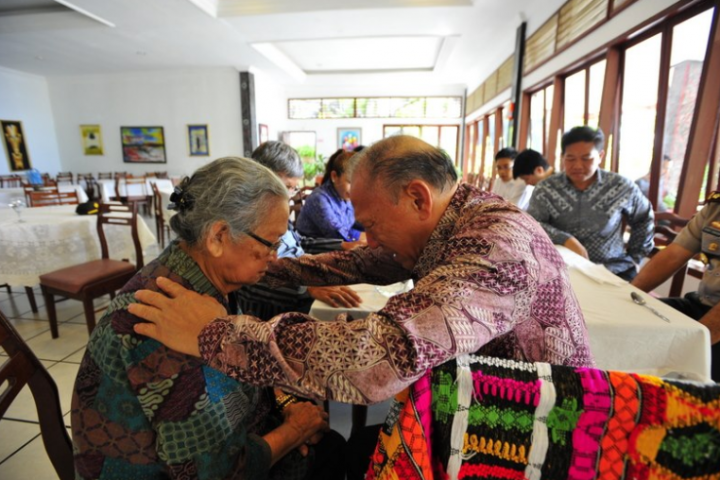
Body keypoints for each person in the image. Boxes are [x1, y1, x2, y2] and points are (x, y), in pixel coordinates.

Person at [128, 136, 594, 476]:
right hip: (480, 399)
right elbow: (375, 259)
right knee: (340, 444)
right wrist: (265, 266)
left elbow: (376, 359)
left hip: (522, 432)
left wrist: (216, 332)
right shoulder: (462, 214)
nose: (367, 239)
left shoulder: (496, 250)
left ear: (416, 197)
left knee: (342, 448)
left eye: (370, 223)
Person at [71, 157, 345, 480]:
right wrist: (295, 430)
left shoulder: (198, 274)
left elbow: (243, 369)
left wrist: (285, 403)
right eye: (270, 244)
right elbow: (217, 472)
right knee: (335, 454)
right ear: (218, 237)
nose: (274, 258)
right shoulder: (169, 320)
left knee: (331, 444)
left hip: (237, 436)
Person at [235, 141, 362, 319]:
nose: (289, 195)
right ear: (260, 178)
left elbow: (299, 241)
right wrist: (305, 288)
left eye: (293, 188)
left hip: (302, 279)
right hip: (274, 306)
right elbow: (246, 282)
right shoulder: (242, 217)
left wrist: (343, 245)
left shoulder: (273, 208)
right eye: (286, 186)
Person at [528, 126, 654, 281]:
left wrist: (635, 257)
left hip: (612, 269)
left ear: (600, 156)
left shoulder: (621, 186)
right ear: (562, 157)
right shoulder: (546, 188)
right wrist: (565, 239)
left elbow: (644, 218)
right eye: (570, 158)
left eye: (586, 158)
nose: (578, 166)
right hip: (560, 270)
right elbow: (532, 225)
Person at [631, 194, 720, 381]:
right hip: (702, 303)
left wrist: (696, 345)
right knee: (631, 323)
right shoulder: (715, 208)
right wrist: (628, 295)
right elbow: (675, 253)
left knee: (693, 379)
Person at [296, 149, 364, 241]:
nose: (355, 189)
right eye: (350, 182)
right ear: (334, 176)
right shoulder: (319, 198)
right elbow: (338, 234)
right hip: (312, 251)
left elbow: (356, 222)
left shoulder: (344, 196)